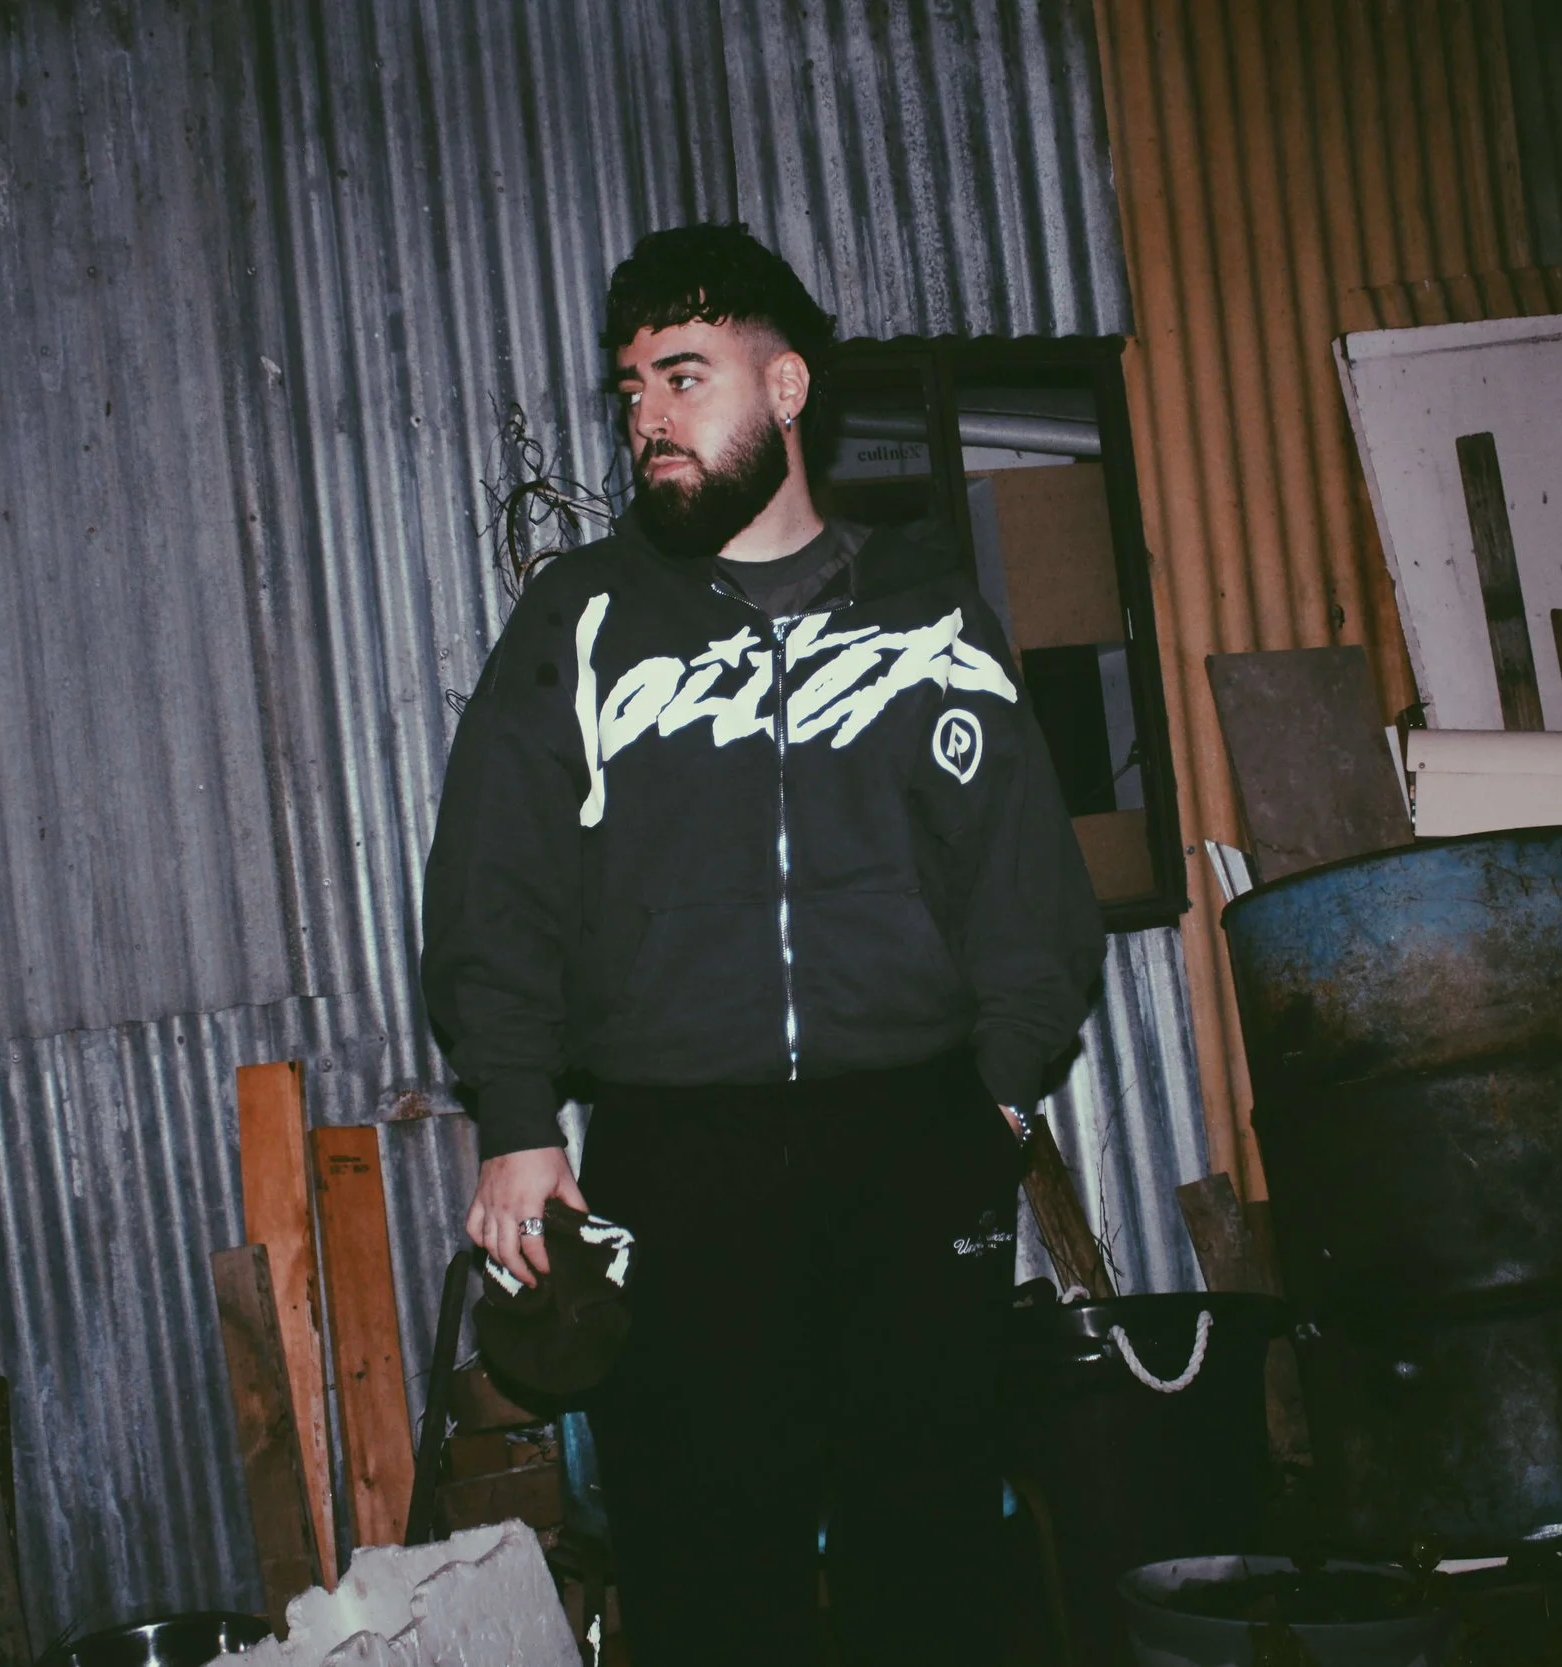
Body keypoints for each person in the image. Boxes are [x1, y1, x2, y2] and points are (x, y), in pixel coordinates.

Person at [421, 222, 1104, 1664]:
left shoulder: (927, 613)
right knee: (707, 1574)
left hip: (914, 1146)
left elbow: (1026, 883)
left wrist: (995, 1094)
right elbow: (497, 880)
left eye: (683, 377)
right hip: (684, 1160)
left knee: (931, 1567)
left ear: (785, 388)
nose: (646, 421)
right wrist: (519, 1118)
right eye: (630, 392)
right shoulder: (583, 619)